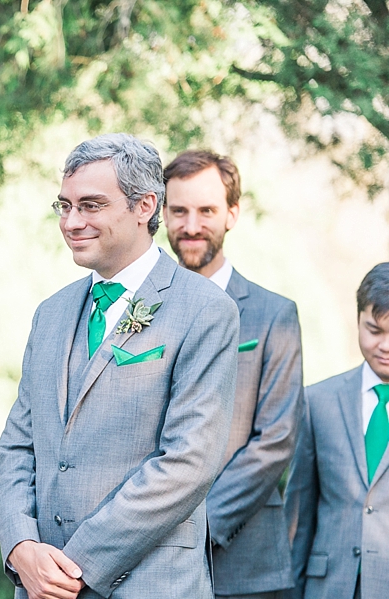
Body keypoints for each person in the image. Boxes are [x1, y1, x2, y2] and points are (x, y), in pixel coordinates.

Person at [0, 133, 239, 599]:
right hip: (40, 586)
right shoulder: (51, 313)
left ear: (145, 205)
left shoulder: (205, 310)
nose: (71, 222)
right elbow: (18, 445)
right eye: (64, 206)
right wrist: (21, 545)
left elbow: (188, 462)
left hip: (149, 584)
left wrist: (77, 563)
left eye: (90, 205)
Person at [163, 150, 303, 599]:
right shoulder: (138, 312)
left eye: (206, 210)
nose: (191, 226)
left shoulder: (273, 316)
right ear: (161, 213)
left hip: (245, 564)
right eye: (178, 210)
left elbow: (275, 440)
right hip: (145, 564)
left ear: (232, 214)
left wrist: (198, 528)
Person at [284, 263, 389, 599]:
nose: (385, 345)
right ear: (357, 320)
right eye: (374, 330)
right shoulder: (318, 401)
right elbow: (300, 512)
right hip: (327, 586)